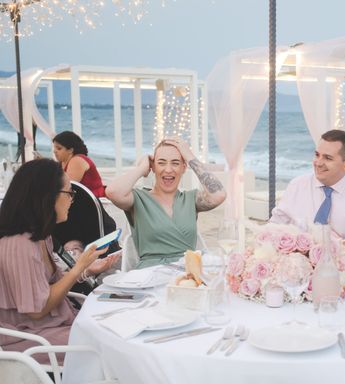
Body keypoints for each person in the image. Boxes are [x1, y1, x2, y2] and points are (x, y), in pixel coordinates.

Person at [0, 159, 104, 360]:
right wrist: (78, 267)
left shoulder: (39, 236)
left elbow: (42, 286)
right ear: (47, 197)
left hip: (46, 327)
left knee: (109, 330)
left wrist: (86, 270)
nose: (71, 200)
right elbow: (37, 309)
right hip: (27, 338)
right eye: (69, 193)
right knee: (106, 343)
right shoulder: (20, 244)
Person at [106, 137, 226, 269]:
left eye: (175, 163)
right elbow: (112, 192)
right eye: (161, 163)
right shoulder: (138, 199)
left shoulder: (190, 199)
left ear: (183, 167)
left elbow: (218, 195)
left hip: (186, 277)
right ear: (153, 167)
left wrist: (189, 156)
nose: (168, 169)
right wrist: (141, 168)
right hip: (149, 277)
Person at [270, 129, 345, 253]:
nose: (318, 163)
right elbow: (274, 226)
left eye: (327, 158)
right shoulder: (297, 185)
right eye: (317, 155)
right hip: (297, 265)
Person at [52, 131, 107, 198]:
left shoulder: (77, 160)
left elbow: (67, 187)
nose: (54, 151)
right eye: (54, 148)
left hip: (92, 198)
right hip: (78, 197)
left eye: (59, 148)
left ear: (70, 150)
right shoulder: (62, 162)